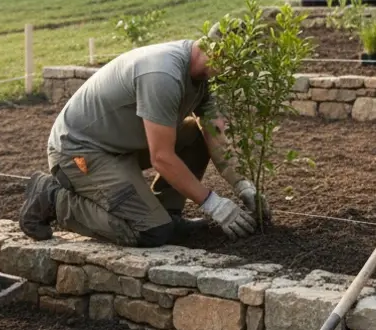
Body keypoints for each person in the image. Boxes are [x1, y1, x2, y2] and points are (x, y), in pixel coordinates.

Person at [19, 35, 267, 247]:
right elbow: (162, 157)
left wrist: (243, 185)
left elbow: (214, 134)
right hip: (80, 150)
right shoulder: (164, 75)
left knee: (195, 134)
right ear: (219, 52)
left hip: (119, 144)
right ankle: (52, 198)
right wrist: (213, 204)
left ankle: (168, 213)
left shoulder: (202, 79)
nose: (238, 74)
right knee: (150, 231)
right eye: (237, 66)